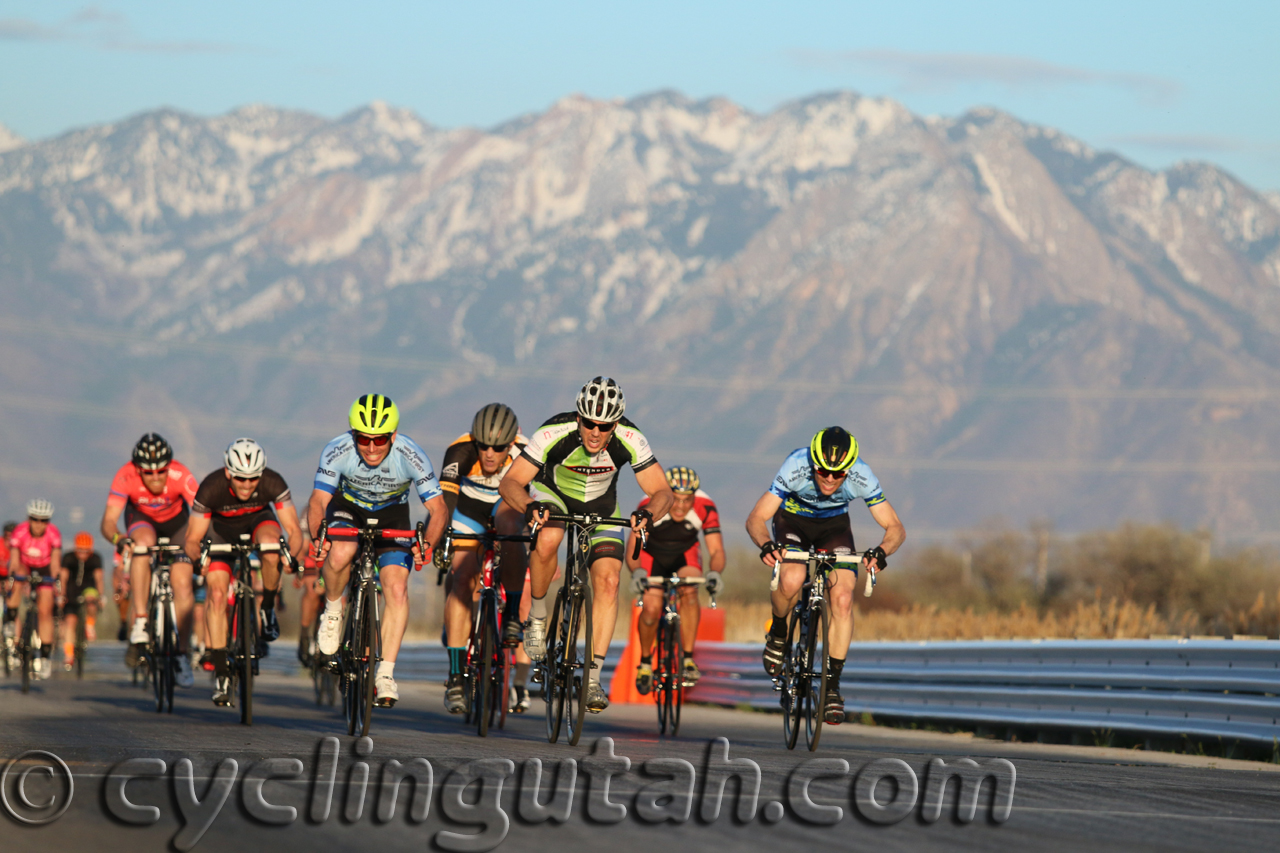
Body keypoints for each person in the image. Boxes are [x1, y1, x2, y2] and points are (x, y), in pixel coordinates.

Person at [498, 376, 673, 714]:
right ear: (578, 418)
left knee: (608, 581)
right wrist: (530, 507)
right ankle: (536, 615)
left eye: (604, 425)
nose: (596, 431)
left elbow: (662, 491)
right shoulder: (553, 432)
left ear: (616, 424)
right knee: (548, 536)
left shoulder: (631, 438)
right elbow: (511, 482)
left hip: (602, 508)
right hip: (554, 498)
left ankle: (592, 678)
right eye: (589, 423)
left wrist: (648, 514)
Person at [745, 426, 905, 724]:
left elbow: (895, 527)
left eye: (838, 474)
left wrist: (881, 552)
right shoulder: (795, 465)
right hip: (792, 521)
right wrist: (765, 544)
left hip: (834, 528)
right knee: (792, 579)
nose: (830, 479)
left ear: (849, 470)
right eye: (823, 471)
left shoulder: (862, 475)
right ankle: (779, 633)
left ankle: (831, 686)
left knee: (843, 599)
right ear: (813, 463)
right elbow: (757, 517)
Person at [308, 393, 448, 707]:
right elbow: (318, 501)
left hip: (392, 515)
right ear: (353, 435)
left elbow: (438, 510)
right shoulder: (338, 449)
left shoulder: (411, 454)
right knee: (341, 553)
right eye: (364, 439)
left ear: (393, 436)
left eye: (380, 439)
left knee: (396, 588)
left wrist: (428, 545)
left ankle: (385, 672)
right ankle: (333, 610)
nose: (371, 447)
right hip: (348, 509)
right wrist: (320, 534)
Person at [184, 438, 305, 705]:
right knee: (216, 595)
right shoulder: (211, 487)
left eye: (253, 479)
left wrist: (292, 557)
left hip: (258, 522)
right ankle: (221, 670)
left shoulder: (273, 482)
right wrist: (197, 559)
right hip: (220, 532)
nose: (247, 485)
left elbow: (294, 531)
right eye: (240, 479)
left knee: (273, 547)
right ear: (228, 473)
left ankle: (267, 608)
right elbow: (192, 538)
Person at [438, 403, 530, 714]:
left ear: (512, 442)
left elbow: (541, 499)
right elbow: (446, 501)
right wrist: (442, 538)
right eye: (483, 446)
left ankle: (513, 615)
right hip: (469, 512)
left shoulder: (528, 452)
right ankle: (454, 675)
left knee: (515, 538)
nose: (490, 454)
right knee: (463, 578)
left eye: (499, 447)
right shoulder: (459, 451)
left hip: (507, 507)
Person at [100, 433, 199, 686]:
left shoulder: (181, 475)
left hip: (177, 522)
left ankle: (182, 654)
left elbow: (202, 512)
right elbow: (109, 521)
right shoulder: (126, 475)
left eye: (161, 471)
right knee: (142, 546)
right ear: (138, 470)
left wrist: (199, 542)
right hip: (142, 520)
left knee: (183, 584)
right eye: (148, 472)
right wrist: (119, 539)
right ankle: (141, 621)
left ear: (170, 467)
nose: (155, 477)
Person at [626, 466, 725, 692]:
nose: (680, 506)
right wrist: (637, 572)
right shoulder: (649, 505)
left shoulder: (706, 507)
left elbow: (717, 550)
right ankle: (644, 662)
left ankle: (688, 659)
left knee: (690, 591)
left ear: (695, 497)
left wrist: (715, 573)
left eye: (687, 500)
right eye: (676, 499)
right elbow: (634, 547)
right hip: (652, 554)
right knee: (651, 607)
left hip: (685, 553)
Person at [5, 500, 62, 679]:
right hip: (25, 564)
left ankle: (45, 657)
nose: (39, 524)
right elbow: (14, 561)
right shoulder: (20, 531)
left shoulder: (53, 534)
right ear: (29, 519)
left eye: (44, 520)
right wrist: (12, 577)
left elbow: (55, 564)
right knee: (16, 577)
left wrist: (56, 582)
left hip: (44, 568)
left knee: (45, 610)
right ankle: (11, 619)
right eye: (35, 519)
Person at [59, 531, 105, 670]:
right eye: (80, 551)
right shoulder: (68, 558)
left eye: (86, 551)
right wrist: (61, 595)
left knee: (91, 599)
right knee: (70, 622)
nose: (83, 554)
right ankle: (69, 654)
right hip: (71, 590)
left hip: (88, 588)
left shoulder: (95, 558)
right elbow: (63, 577)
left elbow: (99, 579)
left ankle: (89, 625)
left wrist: (101, 596)